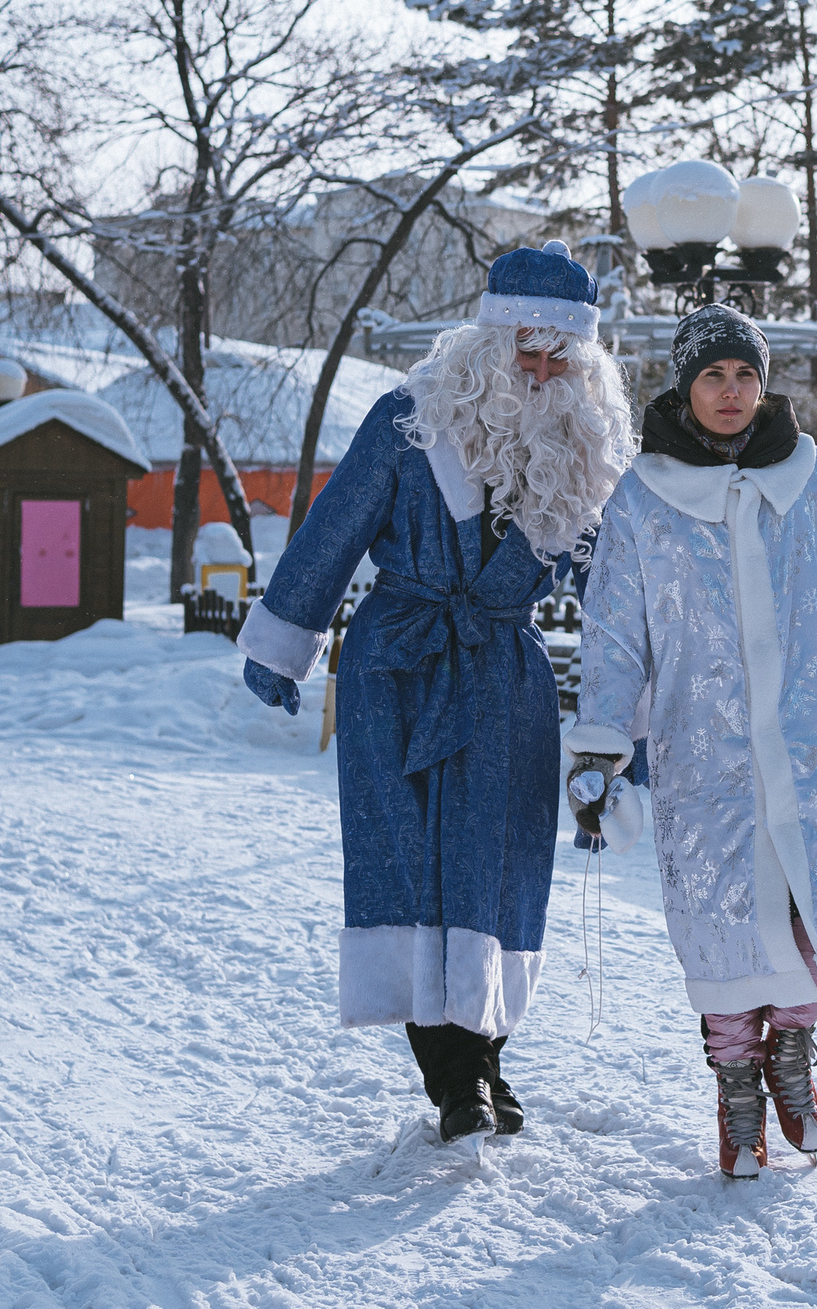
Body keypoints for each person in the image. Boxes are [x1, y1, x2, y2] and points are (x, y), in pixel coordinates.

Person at [236, 241, 636, 1147]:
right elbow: (335, 526)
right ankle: (455, 1077)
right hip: (401, 669)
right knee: (413, 870)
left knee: (495, 875)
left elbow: (617, 592)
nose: (537, 374)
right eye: (523, 353)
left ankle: (485, 1060)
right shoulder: (407, 421)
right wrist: (282, 641)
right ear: (488, 347)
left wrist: (640, 701)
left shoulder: (581, 458)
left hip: (505, 679)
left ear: (581, 367)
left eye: (556, 359)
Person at [570, 304, 817, 1179]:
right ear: (685, 386)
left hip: (811, 754)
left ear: (764, 384)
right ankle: (736, 1084)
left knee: (809, 922)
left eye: (745, 375)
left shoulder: (811, 481)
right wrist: (599, 745)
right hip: (710, 762)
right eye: (713, 376)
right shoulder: (643, 498)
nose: (731, 392)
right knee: (725, 927)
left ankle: (790, 1058)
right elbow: (616, 633)